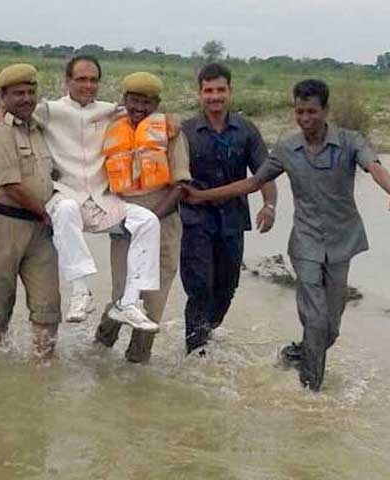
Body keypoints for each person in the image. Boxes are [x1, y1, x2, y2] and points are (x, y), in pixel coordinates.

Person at [180, 79, 390, 391]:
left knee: (330, 329)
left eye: (312, 112)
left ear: (325, 111)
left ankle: (296, 354)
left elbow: (374, 167)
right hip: (305, 243)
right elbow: (253, 182)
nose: (305, 119)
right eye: (300, 112)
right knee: (316, 321)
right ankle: (311, 395)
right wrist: (202, 196)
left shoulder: (350, 141)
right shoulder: (287, 149)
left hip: (343, 241)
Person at [159, 63, 277, 355]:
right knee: (200, 287)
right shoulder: (184, 131)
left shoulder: (246, 130)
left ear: (230, 92)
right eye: (208, 91)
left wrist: (270, 204)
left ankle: (205, 333)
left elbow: (265, 172)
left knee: (226, 289)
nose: (215, 97)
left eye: (220, 90)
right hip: (193, 219)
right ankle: (195, 353)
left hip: (233, 220)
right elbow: (165, 177)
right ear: (199, 94)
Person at [38, 56, 161, 331]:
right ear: (67, 80)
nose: (88, 85)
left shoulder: (110, 111)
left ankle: (128, 302)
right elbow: (16, 113)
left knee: (148, 221)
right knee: (66, 208)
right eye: (81, 79)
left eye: (93, 80)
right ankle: (81, 291)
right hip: (66, 194)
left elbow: (146, 112)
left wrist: (170, 122)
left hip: (102, 199)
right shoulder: (48, 110)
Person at [94, 72, 191, 362]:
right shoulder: (109, 126)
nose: (139, 108)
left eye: (147, 102)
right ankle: (99, 351)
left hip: (164, 226)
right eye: (134, 101)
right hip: (123, 226)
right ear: (124, 100)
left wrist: (149, 220)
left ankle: (138, 363)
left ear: (157, 103)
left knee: (152, 305)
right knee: (122, 296)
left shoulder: (171, 132)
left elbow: (180, 185)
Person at [0, 63, 61, 357]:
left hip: (40, 229)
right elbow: (11, 185)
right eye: (18, 94)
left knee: (47, 306)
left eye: (30, 91)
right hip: (3, 223)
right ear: (3, 97)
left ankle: (43, 368)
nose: (26, 98)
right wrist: (46, 213)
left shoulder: (41, 130)